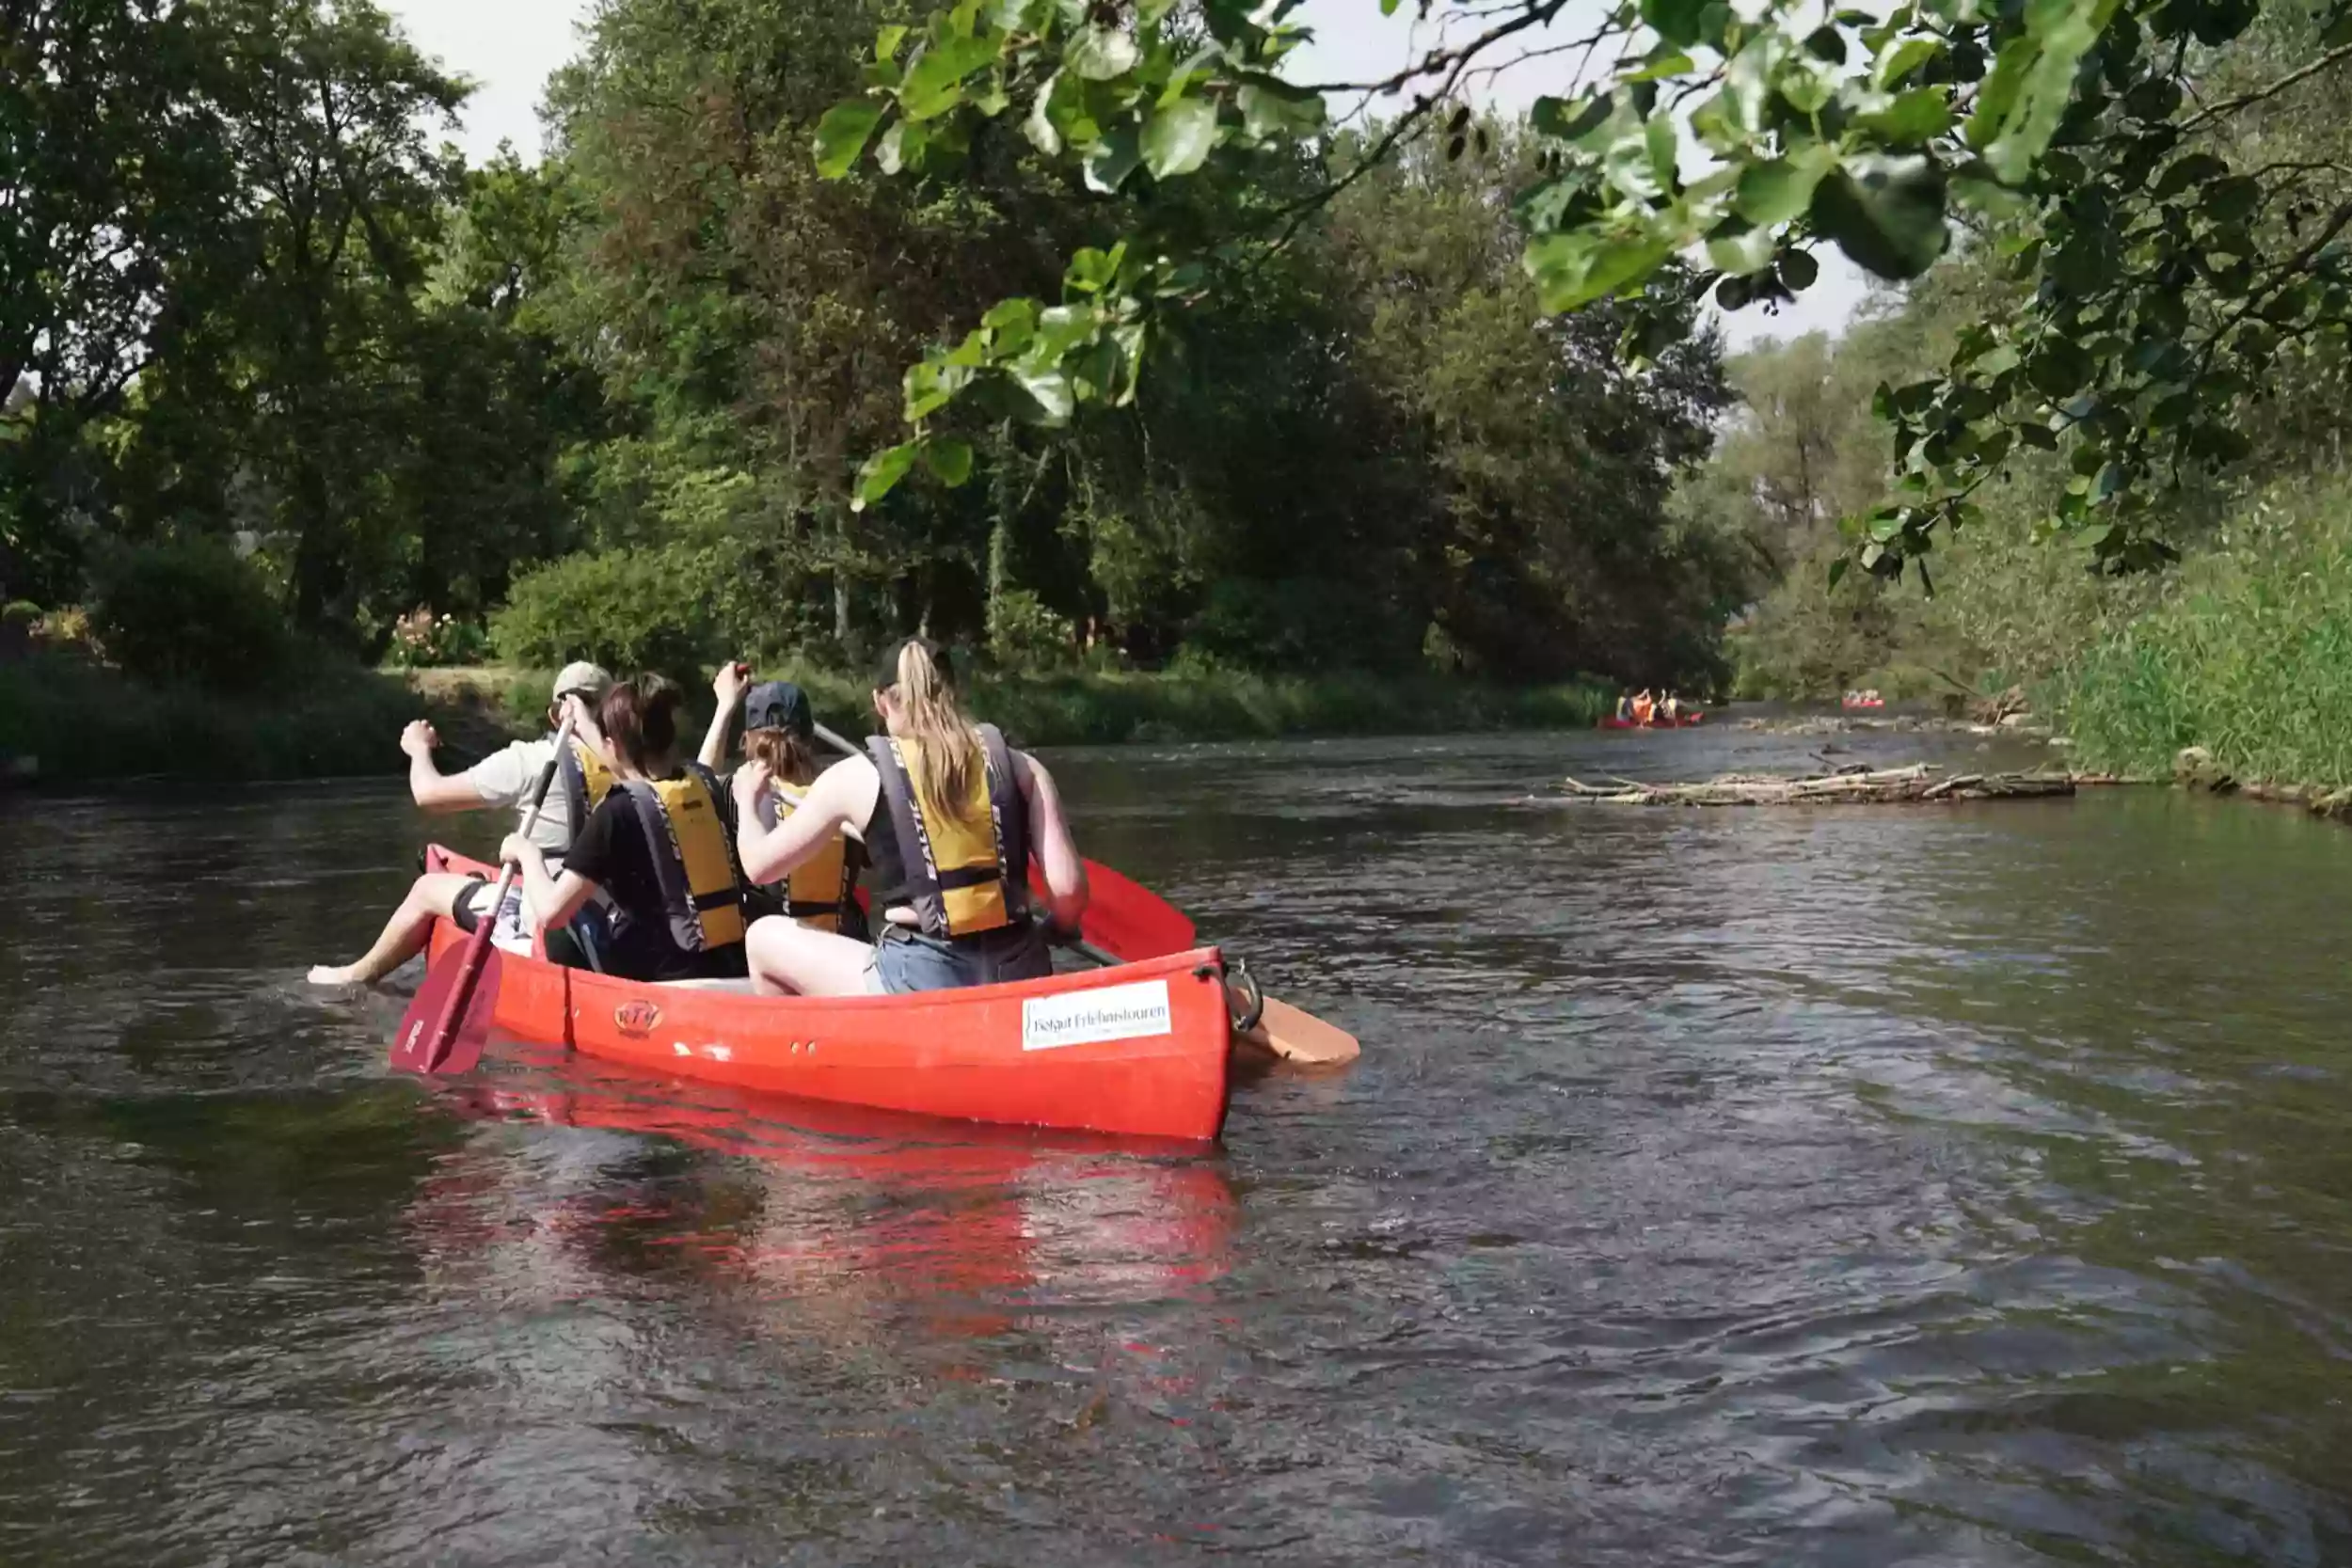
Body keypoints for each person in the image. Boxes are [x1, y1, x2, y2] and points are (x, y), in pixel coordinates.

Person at [726, 638, 1088, 998]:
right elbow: (1068, 892)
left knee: (763, 937)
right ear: (954, 692)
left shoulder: (856, 777)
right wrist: (1060, 927)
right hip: (1019, 967)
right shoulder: (1022, 767)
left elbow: (760, 868)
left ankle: (812, 1050)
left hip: (920, 978)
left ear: (880, 702)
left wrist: (746, 800)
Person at [307, 662, 617, 986]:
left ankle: (354, 975)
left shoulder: (529, 761)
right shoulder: (633, 767)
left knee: (427, 889)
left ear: (557, 714)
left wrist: (418, 750)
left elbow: (429, 795)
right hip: (612, 921)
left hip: (554, 926)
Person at [501, 674, 751, 983]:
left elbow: (552, 913)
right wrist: (583, 718)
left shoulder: (615, 813)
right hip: (731, 965)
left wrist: (527, 854)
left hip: (661, 980)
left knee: (574, 912)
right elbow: (628, 760)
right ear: (670, 736)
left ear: (613, 745)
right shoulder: (704, 782)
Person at [695, 661, 866, 939]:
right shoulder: (846, 789)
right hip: (847, 947)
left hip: (775, 961)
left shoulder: (738, 791)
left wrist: (725, 706)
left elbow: (699, 782)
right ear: (810, 737)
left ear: (747, 740)